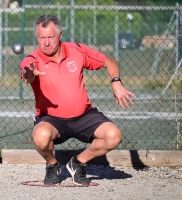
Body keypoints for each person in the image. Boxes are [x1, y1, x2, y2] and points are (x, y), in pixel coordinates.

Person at [19, 14, 136, 186]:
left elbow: (109, 61)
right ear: (37, 38)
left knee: (113, 136)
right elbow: (26, 71)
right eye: (42, 38)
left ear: (60, 35)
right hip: (51, 119)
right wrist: (28, 74)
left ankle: (78, 163)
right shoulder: (33, 59)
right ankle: (52, 165)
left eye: (51, 37)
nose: (46, 42)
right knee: (40, 136)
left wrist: (116, 82)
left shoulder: (76, 51)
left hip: (83, 116)